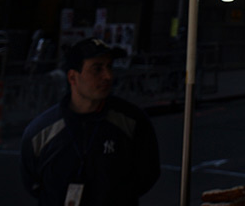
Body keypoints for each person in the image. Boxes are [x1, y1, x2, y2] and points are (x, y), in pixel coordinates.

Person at [21, 37, 160, 206]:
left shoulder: (132, 121)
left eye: (109, 67)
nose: (108, 76)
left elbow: (148, 172)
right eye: (97, 69)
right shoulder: (40, 131)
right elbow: (32, 181)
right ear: (73, 77)